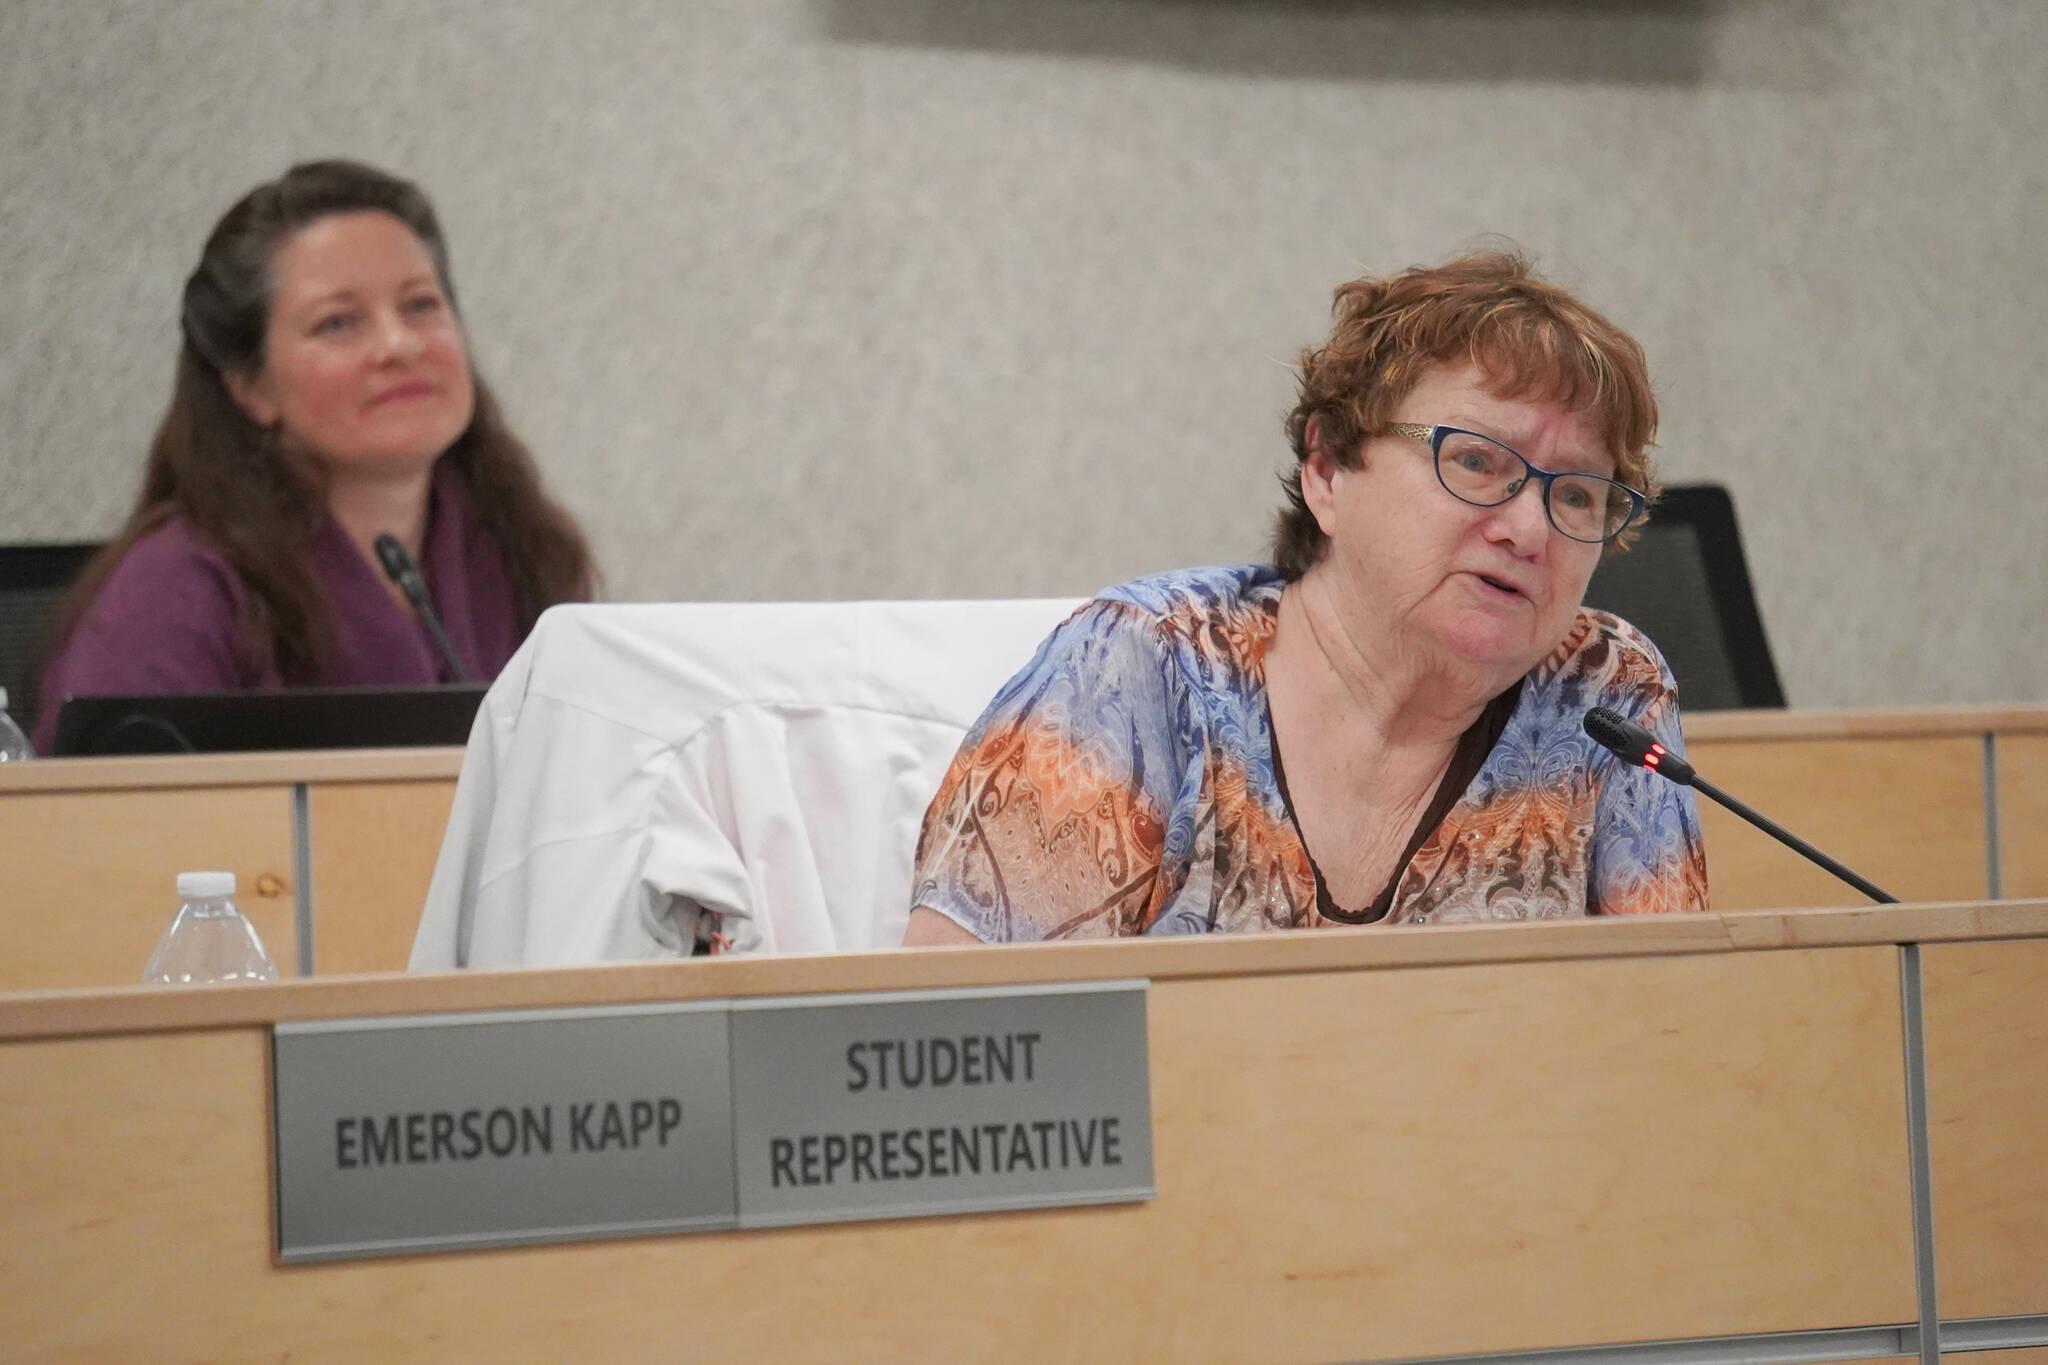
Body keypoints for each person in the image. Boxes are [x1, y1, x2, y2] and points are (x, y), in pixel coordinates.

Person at [905, 250, 1708, 943]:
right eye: (1476, 462)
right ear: (1327, 470)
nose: (1530, 528)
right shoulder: (1141, 669)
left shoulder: (1605, 697)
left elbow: (1666, 1048)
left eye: (1576, 496)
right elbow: (972, 1050)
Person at [33, 160, 593, 751]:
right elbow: (107, 834)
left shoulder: (519, 552)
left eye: (420, 306)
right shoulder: (175, 590)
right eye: (339, 322)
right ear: (250, 387)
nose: (398, 345)